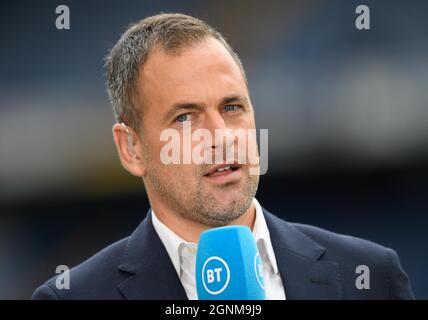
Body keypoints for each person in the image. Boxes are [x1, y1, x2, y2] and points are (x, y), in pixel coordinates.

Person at [32, 13, 414, 300]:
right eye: (185, 117)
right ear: (131, 149)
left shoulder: (371, 276)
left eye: (231, 107)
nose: (221, 136)